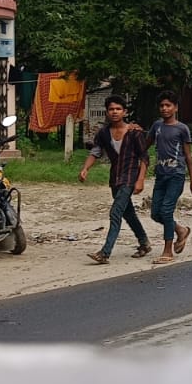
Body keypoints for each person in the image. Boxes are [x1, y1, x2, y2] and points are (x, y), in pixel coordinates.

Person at [78, 95, 150, 264]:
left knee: (115, 212)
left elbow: (144, 158)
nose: (115, 112)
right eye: (111, 109)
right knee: (128, 213)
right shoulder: (103, 133)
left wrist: (140, 180)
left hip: (129, 178)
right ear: (107, 112)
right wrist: (85, 168)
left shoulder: (134, 133)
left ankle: (105, 253)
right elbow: (96, 152)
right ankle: (144, 243)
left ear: (124, 112)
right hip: (115, 178)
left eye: (118, 109)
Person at [147, 92, 192, 265]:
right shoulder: (157, 126)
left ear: (175, 108)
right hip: (160, 175)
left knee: (166, 211)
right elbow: (145, 144)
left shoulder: (182, 129)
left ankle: (167, 251)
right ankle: (181, 230)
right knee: (156, 213)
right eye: (162, 105)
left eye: (168, 105)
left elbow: (188, 156)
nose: (164, 108)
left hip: (176, 175)